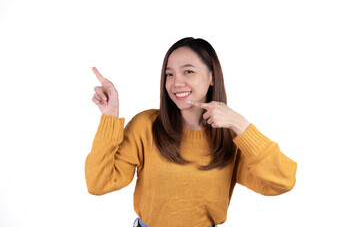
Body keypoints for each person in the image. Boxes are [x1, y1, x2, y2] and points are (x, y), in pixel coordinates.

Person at [85, 37, 297, 227]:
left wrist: (240, 124)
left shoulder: (231, 137)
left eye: (188, 71)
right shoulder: (146, 126)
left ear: (212, 77)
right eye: (169, 74)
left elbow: (283, 181)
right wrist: (110, 115)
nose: (176, 83)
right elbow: (98, 183)